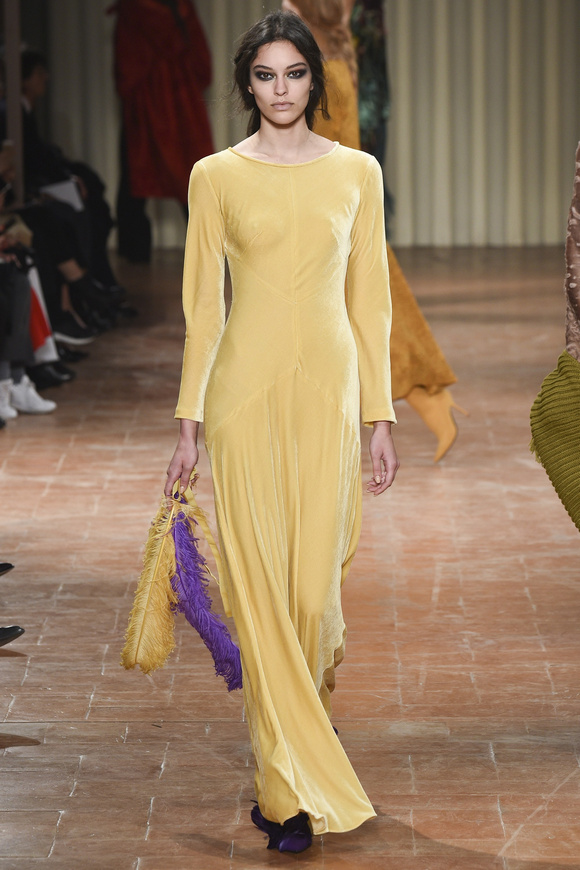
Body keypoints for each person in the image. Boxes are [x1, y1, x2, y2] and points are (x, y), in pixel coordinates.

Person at [164, 10, 398, 853]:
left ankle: (303, 733)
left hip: (329, 397)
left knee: (310, 596)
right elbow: (203, 308)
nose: (281, 89)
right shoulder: (215, 176)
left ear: (314, 80)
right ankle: (283, 790)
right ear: (246, 85)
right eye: (265, 75)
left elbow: (370, 303)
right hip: (243, 399)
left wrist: (379, 416)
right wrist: (188, 425)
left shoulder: (358, 172)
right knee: (261, 597)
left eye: (294, 73)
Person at [284, 0, 466, 462]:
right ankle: (429, 399)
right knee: (372, 315)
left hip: (333, 219)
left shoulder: (317, 74)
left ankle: (426, 398)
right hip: (341, 213)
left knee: (363, 320)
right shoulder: (333, 63)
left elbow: (320, 150)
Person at [111, 0, 215, 263]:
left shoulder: (132, 9)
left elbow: (126, 66)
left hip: (145, 100)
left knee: (136, 174)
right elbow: (202, 63)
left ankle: (135, 252)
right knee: (191, 174)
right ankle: (206, 250)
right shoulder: (181, 7)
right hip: (182, 99)